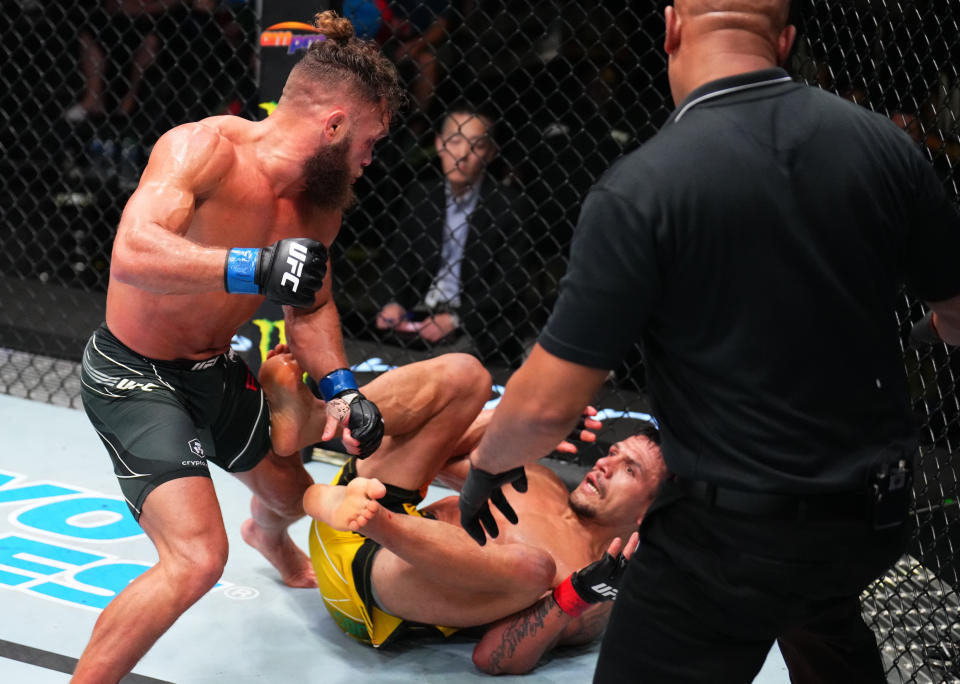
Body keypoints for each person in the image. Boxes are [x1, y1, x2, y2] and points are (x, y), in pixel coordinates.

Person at [457, 1, 960, 682]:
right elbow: (957, 315)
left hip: (735, 537)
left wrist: (489, 461)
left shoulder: (644, 186)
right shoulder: (887, 146)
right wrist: (922, 332)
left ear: (670, 28)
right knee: (818, 608)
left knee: (750, 592)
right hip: (870, 515)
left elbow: (549, 406)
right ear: (783, 42)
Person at [74, 11, 403, 683]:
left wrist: (341, 389)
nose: (372, 161)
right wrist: (252, 266)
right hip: (134, 375)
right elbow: (134, 252)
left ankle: (269, 540)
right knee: (196, 559)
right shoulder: (205, 148)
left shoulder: (321, 204)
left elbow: (308, 301)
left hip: (212, 371)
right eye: (370, 141)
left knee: (290, 494)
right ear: (334, 126)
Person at [258, 347, 666, 674]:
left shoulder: (594, 585)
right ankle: (315, 421)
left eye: (629, 469)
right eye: (613, 452)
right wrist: (519, 425)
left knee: (536, 569)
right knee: (468, 376)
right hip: (367, 494)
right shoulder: (542, 480)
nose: (604, 464)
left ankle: (364, 515)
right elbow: (428, 447)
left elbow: (493, 657)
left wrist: (571, 599)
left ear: (650, 509)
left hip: (370, 588)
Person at [373, 102, 533, 365]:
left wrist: (457, 318)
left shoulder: (508, 205)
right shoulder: (421, 195)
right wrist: (393, 302)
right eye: (455, 141)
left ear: (491, 153)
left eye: (476, 145)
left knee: (444, 367)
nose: (462, 154)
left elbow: (508, 284)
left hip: (476, 319)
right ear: (439, 145)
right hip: (420, 309)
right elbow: (398, 258)